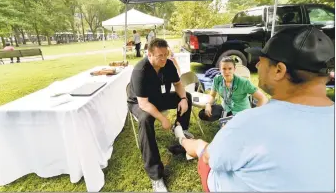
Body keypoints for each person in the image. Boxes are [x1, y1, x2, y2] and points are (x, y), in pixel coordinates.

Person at [173, 25, 335, 192]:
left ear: (279, 70)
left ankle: (182, 138)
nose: (257, 65)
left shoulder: (248, 122)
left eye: (261, 60)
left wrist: (194, 144)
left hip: (222, 169)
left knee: (202, 150)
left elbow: (210, 158)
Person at [127, 38, 194, 192]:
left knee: (187, 97)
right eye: (159, 56)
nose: (164, 58)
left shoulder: (168, 64)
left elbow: (178, 84)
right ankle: (156, 176)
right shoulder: (140, 70)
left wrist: (183, 98)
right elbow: (143, 104)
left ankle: (180, 136)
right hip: (139, 103)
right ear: (149, 54)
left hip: (158, 97)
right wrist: (163, 118)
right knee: (145, 120)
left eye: (166, 54)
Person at [199, 56, 268, 122]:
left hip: (241, 110)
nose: (226, 72)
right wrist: (208, 104)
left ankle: (231, 120)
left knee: (230, 126)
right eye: (224, 69)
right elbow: (212, 95)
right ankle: (227, 119)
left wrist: (253, 115)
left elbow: (263, 98)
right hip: (225, 107)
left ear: (234, 69)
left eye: (230, 68)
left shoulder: (243, 82)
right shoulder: (217, 79)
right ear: (220, 69)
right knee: (202, 114)